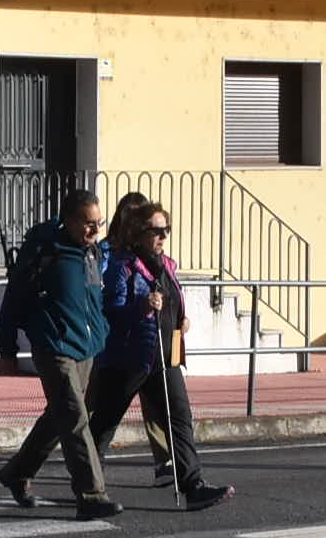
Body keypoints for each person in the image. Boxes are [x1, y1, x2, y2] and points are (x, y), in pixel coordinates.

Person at [88, 199, 231, 511]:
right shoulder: (122, 266)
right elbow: (109, 312)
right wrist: (140, 307)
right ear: (139, 233)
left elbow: (174, 300)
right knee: (105, 423)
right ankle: (87, 487)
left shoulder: (166, 265)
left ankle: (193, 486)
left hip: (165, 358)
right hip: (128, 359)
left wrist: (181, 318)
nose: (163, 236)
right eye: (157, 230)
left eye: (167, 229)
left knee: (179, 420)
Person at [0, 188, 114, 517]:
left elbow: (94, 298)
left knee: (59, 416)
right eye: (88, 224)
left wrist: (101, 330)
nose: (94, 231)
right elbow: (14, 297)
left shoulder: (92, 253)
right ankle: (91, 495)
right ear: (70, 220)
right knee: (75, 419)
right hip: (53, 344)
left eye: (99, 223)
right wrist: (5, 347)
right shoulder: (45, 249)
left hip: (86, 345)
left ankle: (17, 472)